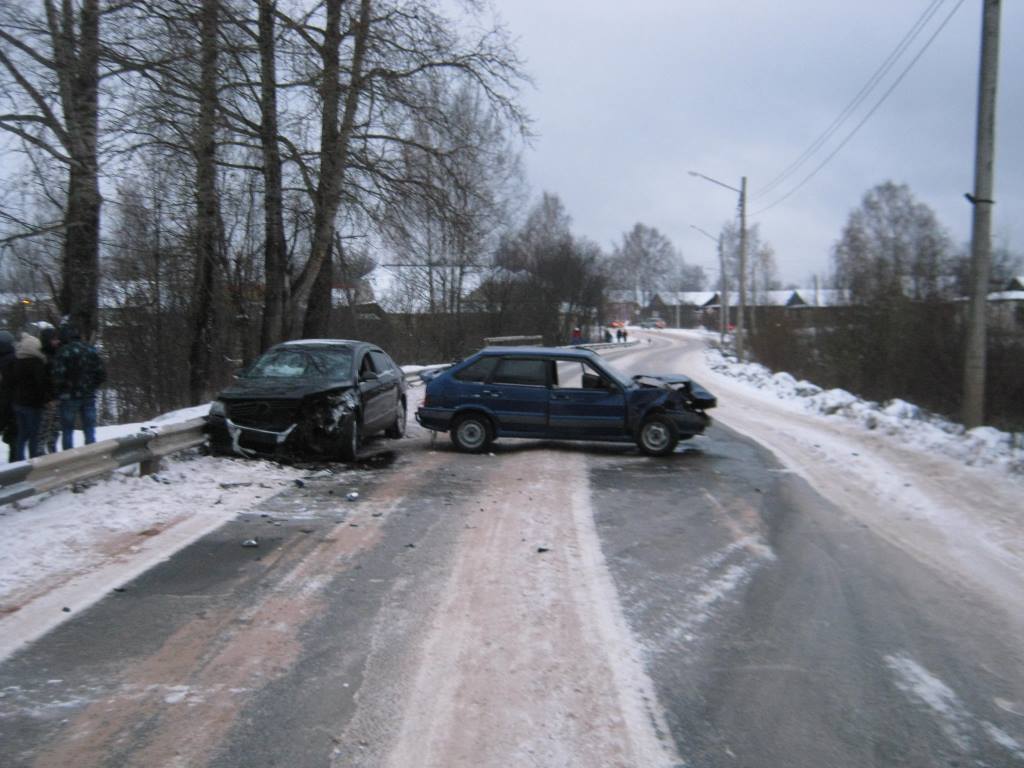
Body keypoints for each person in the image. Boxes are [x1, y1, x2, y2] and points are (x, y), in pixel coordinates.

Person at [53, 323, 106, 450]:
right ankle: (91, 453)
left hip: (68, 396)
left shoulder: (63, 352)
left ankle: (69, 457)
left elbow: (57, 376)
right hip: (88, 394)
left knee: (67, 430)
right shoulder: (90, 350)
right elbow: (101, 373)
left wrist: (61, 389)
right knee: (89, 429)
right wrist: (93, 385)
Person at [8, 333, 52, 460]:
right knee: (34, 434)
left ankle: (19, 461)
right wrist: (46, 399)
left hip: (18, 402)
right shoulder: (36, 363)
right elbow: (41, 384)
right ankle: (33, 460)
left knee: (22, 434)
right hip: (33, 404)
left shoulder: (16, 361)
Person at [38, 324, 61, 453]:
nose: (57, 341)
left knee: (55, 429)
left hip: (57, 396)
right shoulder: (43, 357)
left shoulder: (56, 354)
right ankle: (40, 454)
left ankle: (52, 450)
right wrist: (48, 398)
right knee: (44, 429)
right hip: (47, 400)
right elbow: (42, 381)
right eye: (54, 339)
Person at [0, 331, 18, 461]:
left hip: (5, 401)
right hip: (13, 401)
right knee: (14, 436)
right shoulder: (16, 359)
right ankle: (14, 462)